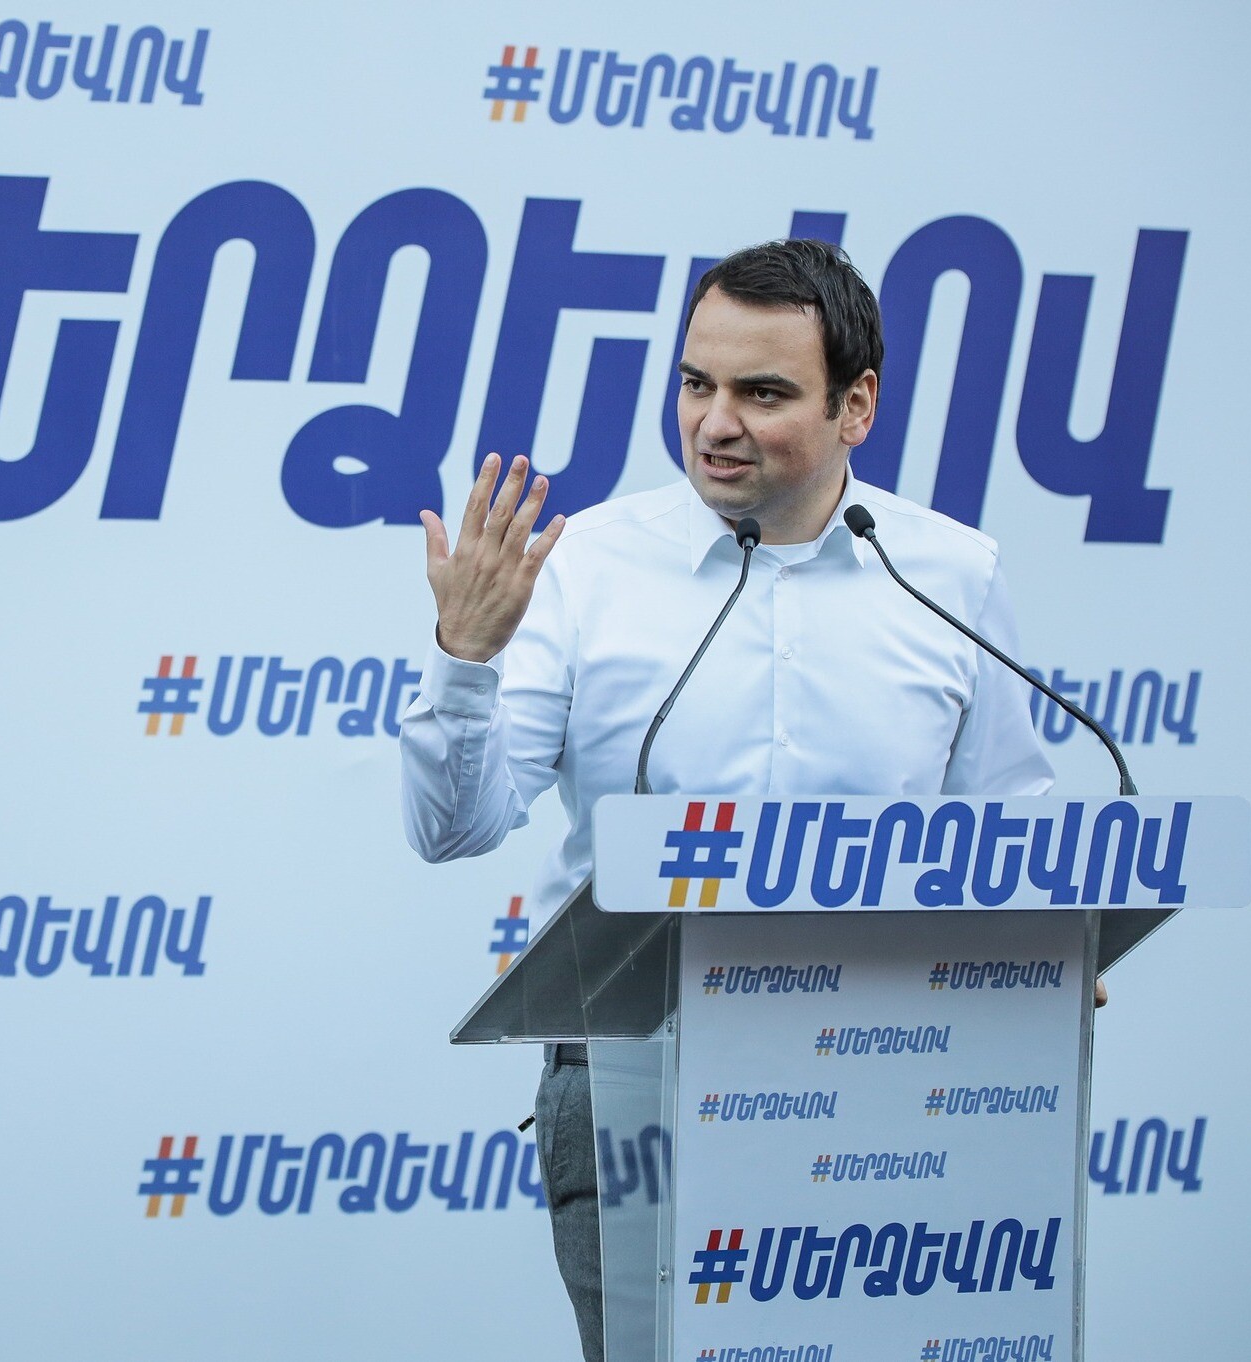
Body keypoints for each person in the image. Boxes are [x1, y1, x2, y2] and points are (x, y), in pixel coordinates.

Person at [399, 238, 1063, 1361]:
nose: (714, 423)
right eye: (695, 383)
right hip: (633, 1080)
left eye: (762, 393)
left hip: (888, 1082)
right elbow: (453, 826)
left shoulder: (950, 574)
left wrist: (1046, 952)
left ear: (856, 405)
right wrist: (464, 661)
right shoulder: (588, 565)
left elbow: (1008, 833)